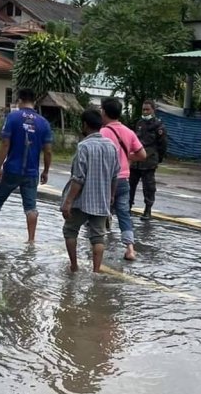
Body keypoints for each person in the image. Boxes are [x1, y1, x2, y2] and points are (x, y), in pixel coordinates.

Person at [0, 88, 53, 243]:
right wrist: (46, 171)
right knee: (31, 207)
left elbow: (5, 143)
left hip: (12, 169)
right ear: (34, 102)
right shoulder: (43, 123)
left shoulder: (13, 117)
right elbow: (48, 151)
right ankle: (31, 240)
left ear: (20, 100)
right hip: (32, 173)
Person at [61, 109, 120, 273]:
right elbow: (116, 176)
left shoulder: (84, 147)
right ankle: (96, 271)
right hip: (102, 199)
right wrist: (111, 196)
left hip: (82, 200)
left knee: (70, 230)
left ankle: (74, 266)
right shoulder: (111, 147)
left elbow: (78, 178)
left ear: (85, 125)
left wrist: (68, 201)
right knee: (98, 236)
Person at [99, 97, 146, 261]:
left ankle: (98, 245)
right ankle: (130, 249)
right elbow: (142, 154)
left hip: (105, 181)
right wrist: (127, 156)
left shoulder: (102, 133)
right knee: (124, 214)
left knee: (99, 212)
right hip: (124, 180)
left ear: (104, 112)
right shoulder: (129, 132)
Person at [129, 100, 168, 220]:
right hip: (136, 162)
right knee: (130, 185)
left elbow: (162, 145)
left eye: (147, 110)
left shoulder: (158, 126)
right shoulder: (139, 123)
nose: (145, 112)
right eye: (143, 109)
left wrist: (158, 159)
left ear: (153, 110)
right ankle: (128, 207)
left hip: (149, 161)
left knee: (149, 187)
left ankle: (147, 210)